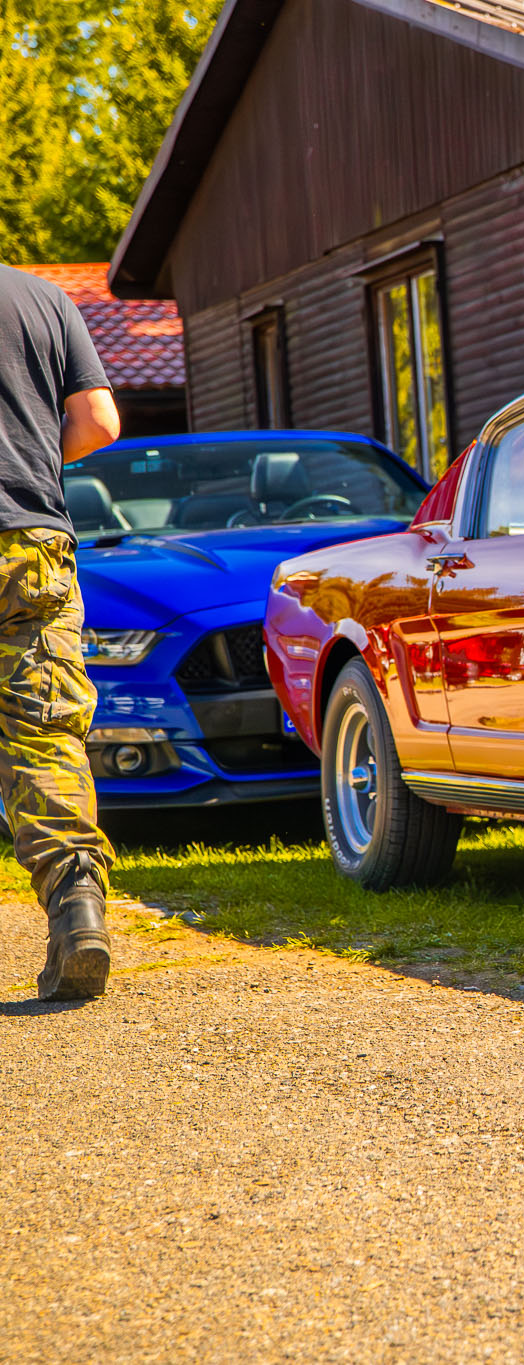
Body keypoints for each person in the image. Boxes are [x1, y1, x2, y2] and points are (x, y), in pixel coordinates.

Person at [0, 263, 121, 999]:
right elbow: (99, 421)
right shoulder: (45, 300)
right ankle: (77, 910)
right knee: (44, 730)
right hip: (31, 540)